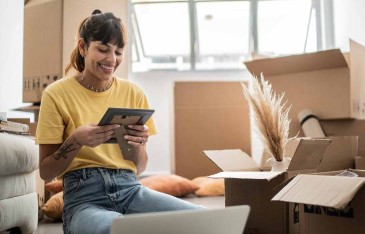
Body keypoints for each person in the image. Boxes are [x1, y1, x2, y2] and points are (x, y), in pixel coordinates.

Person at [36, 10, 203, 234]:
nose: (112, 60)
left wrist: (135, 145)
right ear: (83, 47)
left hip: (130, 189)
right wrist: (75, 141)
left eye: (118, 52)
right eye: (103, 50)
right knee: (115, 227)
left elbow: (140, 166)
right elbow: (46, 172)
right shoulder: (56, 94)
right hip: (84, 198)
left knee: (202, 220)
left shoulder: (133, 92)